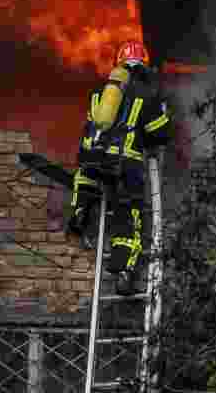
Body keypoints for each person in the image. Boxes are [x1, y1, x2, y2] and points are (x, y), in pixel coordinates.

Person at [66, 40, 172, 295]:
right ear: (143, 67)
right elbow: (160, 134)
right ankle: (124, 272)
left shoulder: (100, 92)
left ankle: (80, 210)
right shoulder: (148, 94)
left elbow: (91, 126)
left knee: (86, 177)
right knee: (128, 215)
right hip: (124, 164)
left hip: (92, 157)